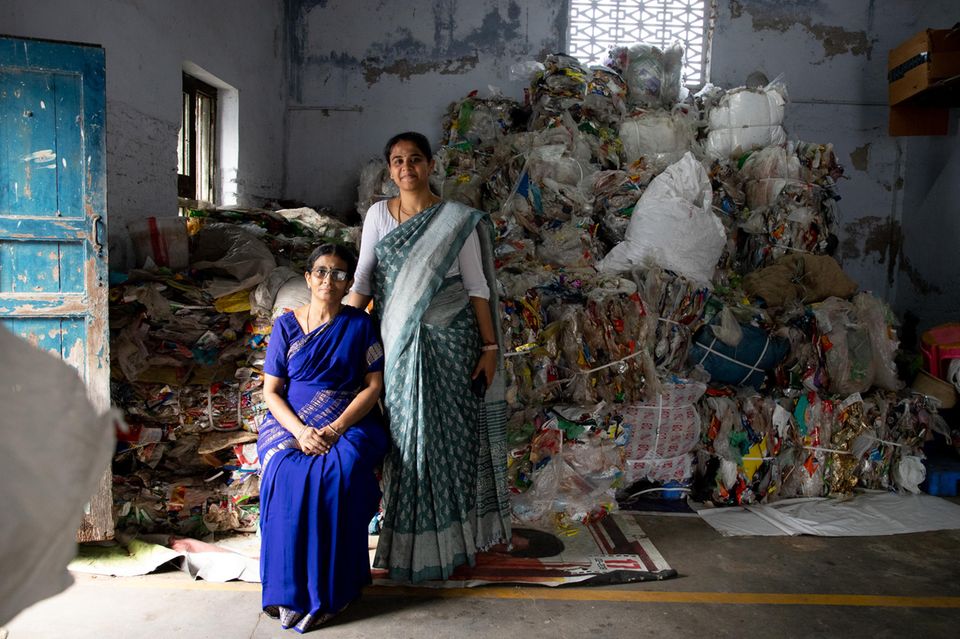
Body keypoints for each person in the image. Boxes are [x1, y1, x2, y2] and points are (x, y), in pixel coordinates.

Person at [346, 131, 512, 583]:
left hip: (452, 342)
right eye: (397, 161)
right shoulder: (379, 215)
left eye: (414, 159)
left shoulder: (455, 219)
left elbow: (477, 287)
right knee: (404, 441)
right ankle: (407, 543)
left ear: (430, 165)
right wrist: (332, 331)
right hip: (398, 345)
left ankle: (453, 544)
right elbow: (363, 280)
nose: (406, 168)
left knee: (449, 441)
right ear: (390, 170)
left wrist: (490, 348)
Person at [257, 244, 388, 632]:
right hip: (290, 424)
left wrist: (335, 429)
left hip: (349, 422)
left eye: (339, 274)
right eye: (322, 271)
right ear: (308, 276)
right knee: (286, 476)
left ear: (349, 282)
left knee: (340, 475)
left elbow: (373, 385)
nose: (329, 280)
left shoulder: (360, 325)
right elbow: (271, 391)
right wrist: (299, 431)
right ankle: (287, 591)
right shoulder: (286, 326)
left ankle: (335, 589)